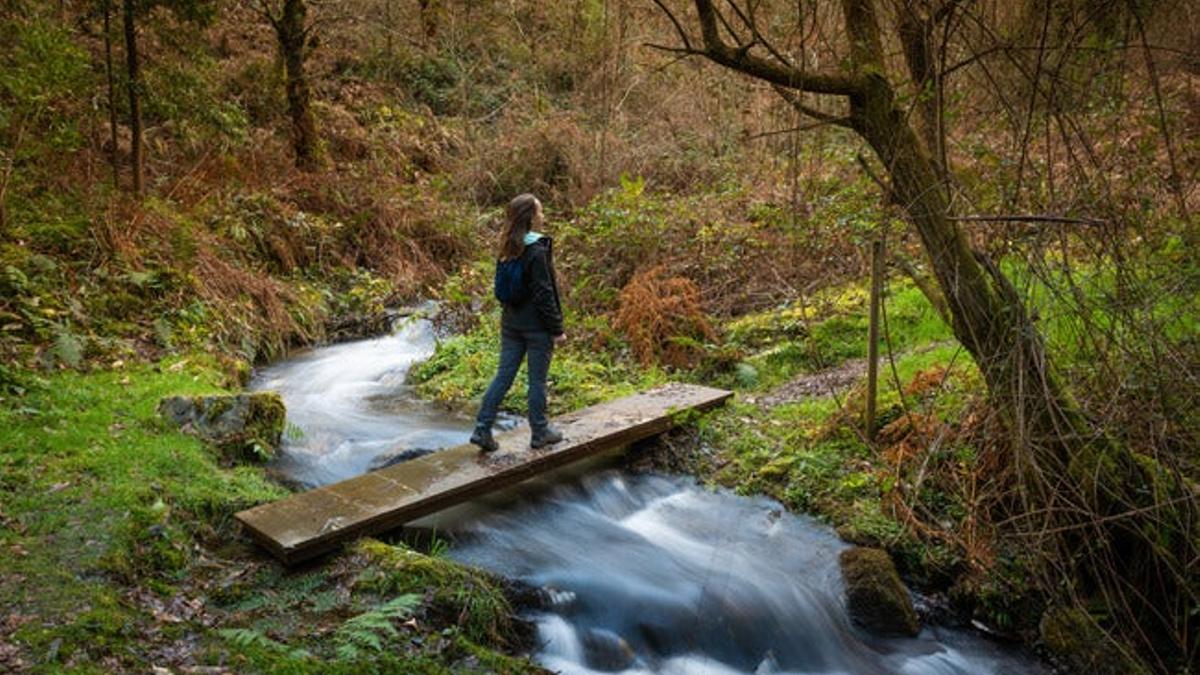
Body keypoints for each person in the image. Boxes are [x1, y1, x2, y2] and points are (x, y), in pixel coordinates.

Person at [470, 193, 566, 453]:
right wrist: (557, 329)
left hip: (511, 324)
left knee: (503, 377)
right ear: (531, 216)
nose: (543, 216)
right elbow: (544, 293)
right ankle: (540, 432)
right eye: (540, 211)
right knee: (536, 381)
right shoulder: (536, 249)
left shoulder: (506, 247)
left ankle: (482, 429)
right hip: (537, 328)